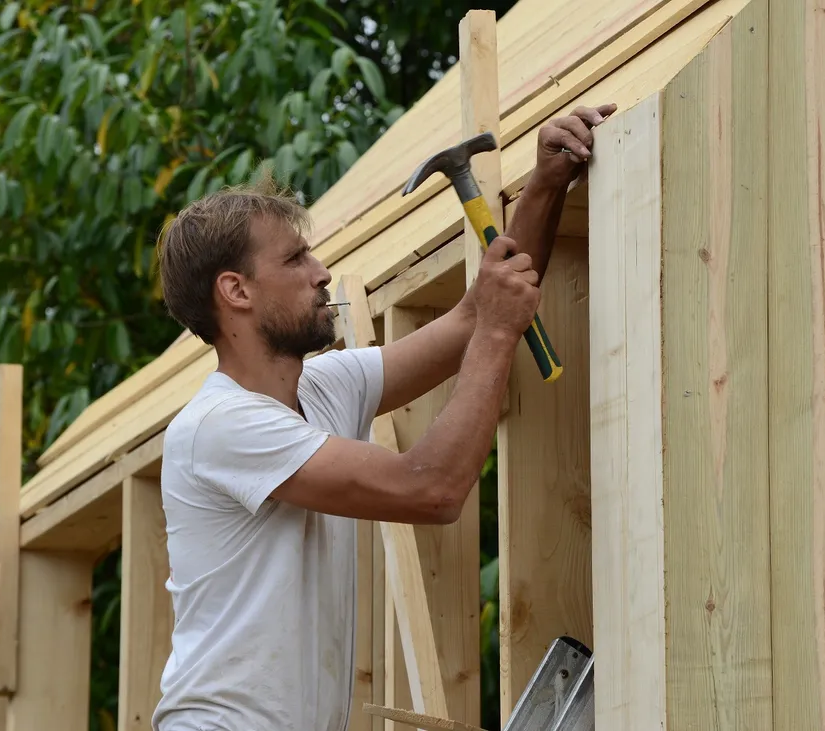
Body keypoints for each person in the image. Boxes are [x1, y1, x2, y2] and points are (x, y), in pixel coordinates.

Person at [150, 102, 616, 731]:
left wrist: (544, 185)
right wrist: (501, 335)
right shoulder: (220, 427)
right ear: (236, 291)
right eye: (295, 260)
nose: (322, 274)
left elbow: (473, 319)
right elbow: (431, 487)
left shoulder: (323, 389)